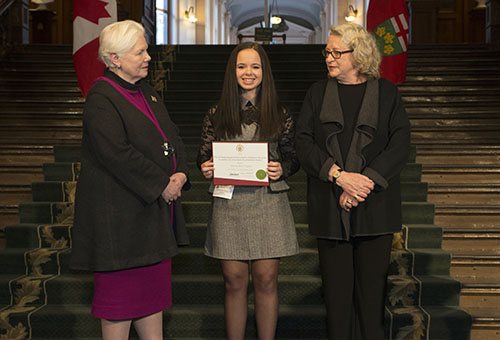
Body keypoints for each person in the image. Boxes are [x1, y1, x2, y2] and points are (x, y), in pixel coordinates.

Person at [70, 20, 189, 340]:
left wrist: (181, 172)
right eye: (140, 52)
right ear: (115, 59)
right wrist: (162, 183)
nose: (148, 56)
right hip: (119, 227)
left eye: (147, 49)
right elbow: (116, 153)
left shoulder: (147, 93)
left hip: (151, 222)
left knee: (152, 303)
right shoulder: (101, 97)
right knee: (118, 306)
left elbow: (173, 137)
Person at [296, 23, 411, 340]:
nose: (329, 58)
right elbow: (303, 143)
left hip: (376, 209)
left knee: (372, 299)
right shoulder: (316, 93)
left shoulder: (387, 93)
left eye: (336, 52)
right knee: (336, 300)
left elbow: (400, 145)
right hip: (330, 210)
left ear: (358, 55)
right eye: (327, 52)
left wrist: (363, 184)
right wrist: (340, 177)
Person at [197, 42, 300, 340]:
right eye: (242, 66)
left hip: (268, 201)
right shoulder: (216, 112)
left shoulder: (280, 113)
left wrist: (284, 168)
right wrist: (206, 166)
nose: (248, 72)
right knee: (234, 280)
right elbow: (203, 155)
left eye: (255, 66)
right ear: (233, 71)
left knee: (266, 280)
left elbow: (293, 155)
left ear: (264, 71)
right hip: (229, 203)